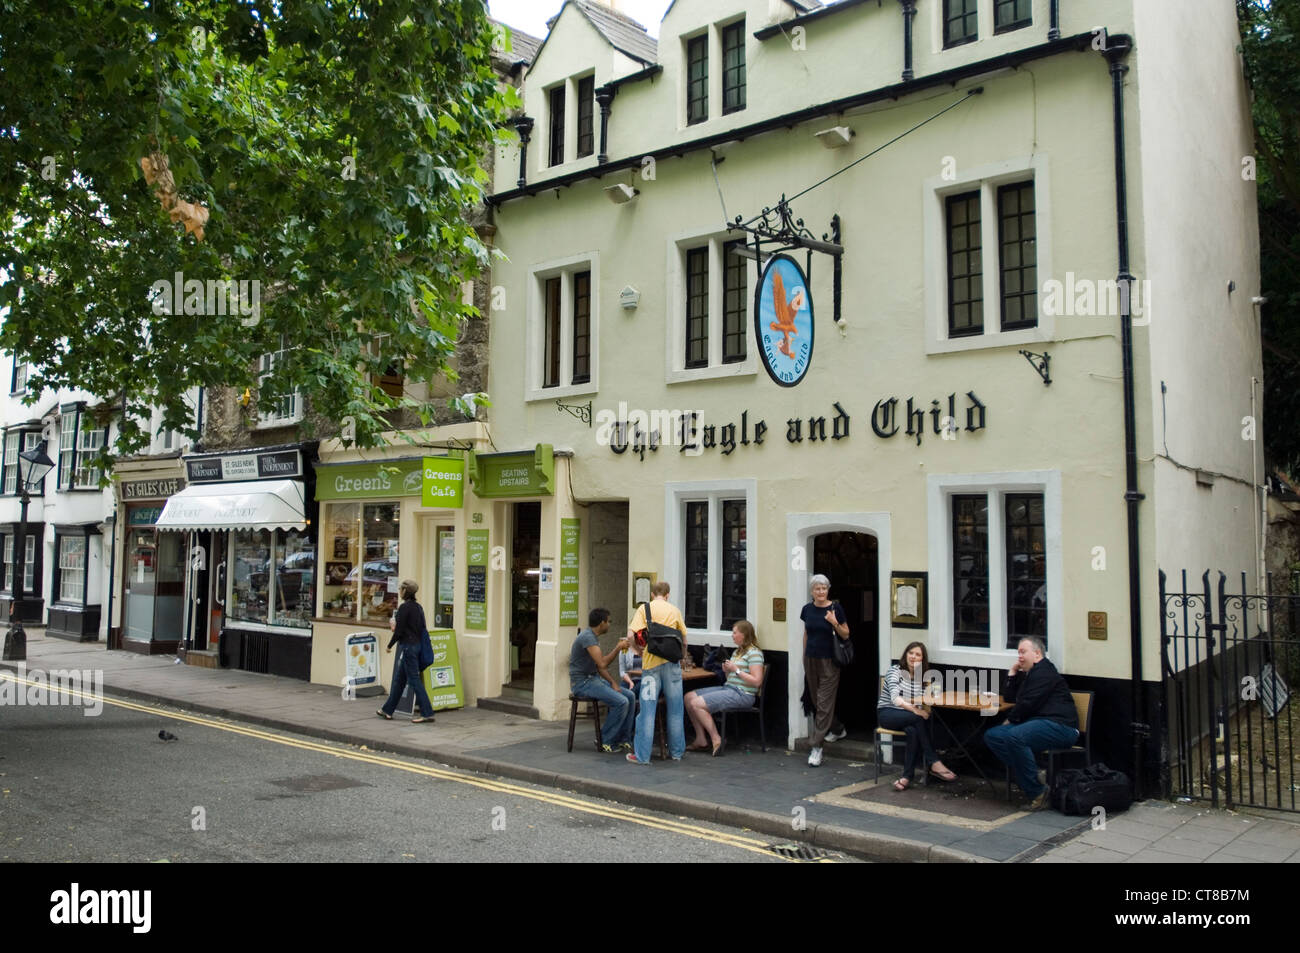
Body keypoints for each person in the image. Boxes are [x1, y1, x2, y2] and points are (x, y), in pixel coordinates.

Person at [984, 636, 1079, 808]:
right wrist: (1012, 675)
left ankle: (1038, 793)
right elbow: (1013, 698)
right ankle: (1034, 774)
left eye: (1023, 652)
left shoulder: (1044, 673)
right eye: (1018, 652)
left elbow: (1027, 704)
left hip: (1062, 727)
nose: (1019, 656)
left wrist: (1010, 720)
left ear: (1037, 654)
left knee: (1014, 735)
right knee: (994, 736)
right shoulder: (1032, 674)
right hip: (1040, 724)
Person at [876, 641, 957, 790]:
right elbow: (895, 698)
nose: (913, 657)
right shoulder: (895, 670)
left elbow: (922, 700)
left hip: (907, 716)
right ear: (905, 655)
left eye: (917, 654)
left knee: (913, 730)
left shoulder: (921, 678)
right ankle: (934, 762)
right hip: (887, 713)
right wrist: (915, 710)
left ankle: (906, 777)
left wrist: (928, 689)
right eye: (910, 653)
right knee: (918, 718)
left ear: (922, 659)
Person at [626, 580, 688, 765]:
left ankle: (642, 756)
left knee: (647, 711)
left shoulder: (644, 609)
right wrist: (681, 657)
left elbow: (630, 635)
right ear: (667, 595)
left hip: (651, 667)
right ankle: (676, 753)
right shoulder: (674, 610)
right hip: (672, 665)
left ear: (652, 594)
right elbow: (684, 640)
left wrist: (638, 650)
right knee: (676, 710)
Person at [684, 620, 764, 756]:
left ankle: (716, 738)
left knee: (696, 704)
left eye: (734, 633)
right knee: (688, 697)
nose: (732, 636)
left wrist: (736, 670)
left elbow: (757, 682)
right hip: (729, 688)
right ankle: (701, 739)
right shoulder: (737, 652)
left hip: (743, 694)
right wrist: (727, 671)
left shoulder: (754, 653)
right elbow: (731, 679)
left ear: (743, 635)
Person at [569, 608, 636, 753]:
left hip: (593, 679)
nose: (610, 624)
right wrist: (617, 648)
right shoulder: (588, 638)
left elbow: (599, 667)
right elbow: (602, 664)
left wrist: (612, 682)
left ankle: (623, 738)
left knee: (630, 696)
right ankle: (604, 740)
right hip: (583, 683)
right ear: (601, 623)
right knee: (621, 702)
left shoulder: (592, 637)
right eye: (608, 621)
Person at [801, 574, 850, 766]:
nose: (821, 592)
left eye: (824, 588)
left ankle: (816, 747)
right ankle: (837, 728)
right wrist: (804, 656)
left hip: (830, 660)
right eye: (817, 589)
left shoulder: (835, 608)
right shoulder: (807, 609)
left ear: (828, 590)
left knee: (823, 702)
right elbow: (806, 633)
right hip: (811, 659)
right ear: (812, 591)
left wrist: (834, 622)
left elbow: (846, 634)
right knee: (816, 700)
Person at [376, 579, 435, 723]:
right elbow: (422, 628)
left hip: (408, 647)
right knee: (400, 680)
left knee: (414, 680)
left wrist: (389, 646)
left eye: (401, 589)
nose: (399, 591)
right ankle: (387, 710)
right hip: (416, 646)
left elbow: (399, 631)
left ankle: (427, 713)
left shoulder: (404, 608)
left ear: (405, 591)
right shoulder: (418, 607)